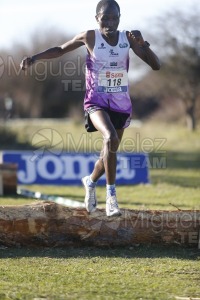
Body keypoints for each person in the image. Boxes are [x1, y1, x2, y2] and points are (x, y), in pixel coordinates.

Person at [20, 0, 160, 217]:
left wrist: (142, 44)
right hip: (96, 101)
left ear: (120, 18)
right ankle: (111, 196)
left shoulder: (128, 39)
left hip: (121, 104)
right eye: (105, 18)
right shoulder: (90, 37)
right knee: (110, 137)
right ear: (97, 18)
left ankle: (91, 181)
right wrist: (35, 58)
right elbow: (60, 50)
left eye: (114, 18)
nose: (110, 23)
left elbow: (156, 65)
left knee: (109, 150)